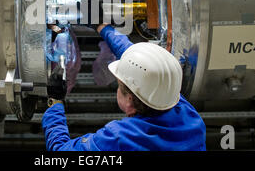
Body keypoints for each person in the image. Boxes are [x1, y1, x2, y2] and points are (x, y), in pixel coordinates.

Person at [42, 23, 207, 151]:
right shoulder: (189, 116)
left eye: (119, 85)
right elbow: (140, 62)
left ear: (129, 101)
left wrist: (55, 102)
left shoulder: (120, 138)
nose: (117, 87)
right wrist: (103, 27)